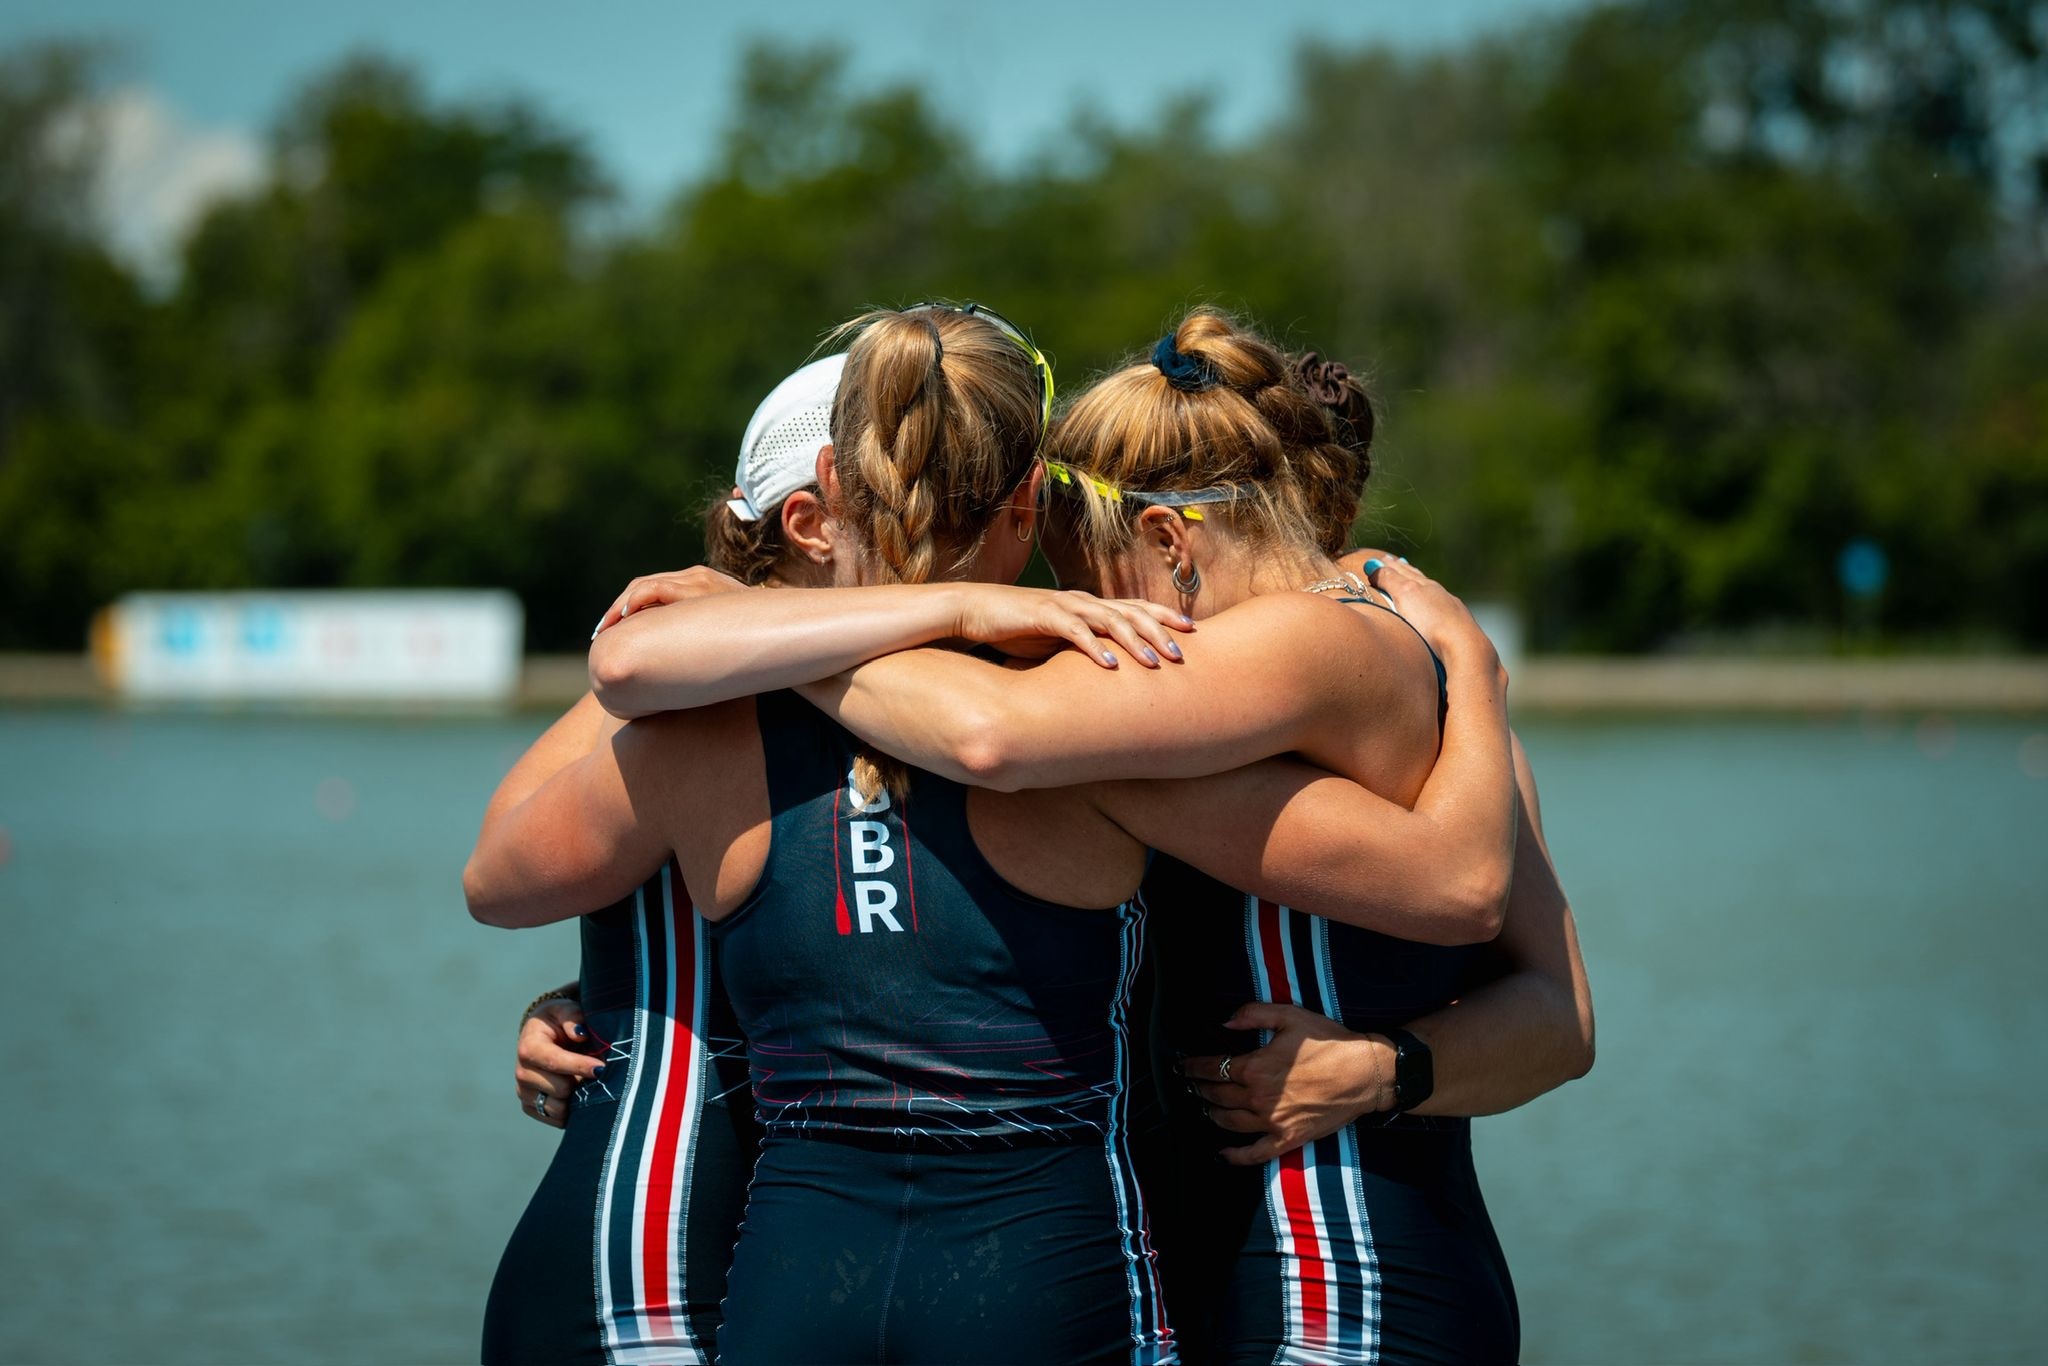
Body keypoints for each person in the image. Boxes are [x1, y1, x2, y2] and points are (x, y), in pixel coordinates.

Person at [467, 302, 1539, 1365]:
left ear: (831, 496)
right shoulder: (1092, 734)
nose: (1074, 584)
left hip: (779, 1275)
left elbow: (505, 869)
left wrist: (749, 623)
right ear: (1023, 503)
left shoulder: (714, 723)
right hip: (1066, 1272)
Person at [477, 356, 848, 1366]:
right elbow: (496, 872)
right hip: (646, 1255)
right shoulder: (682, 671)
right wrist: (608, 988)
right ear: (813, 517)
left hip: (815, 1257)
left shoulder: (933, 678)